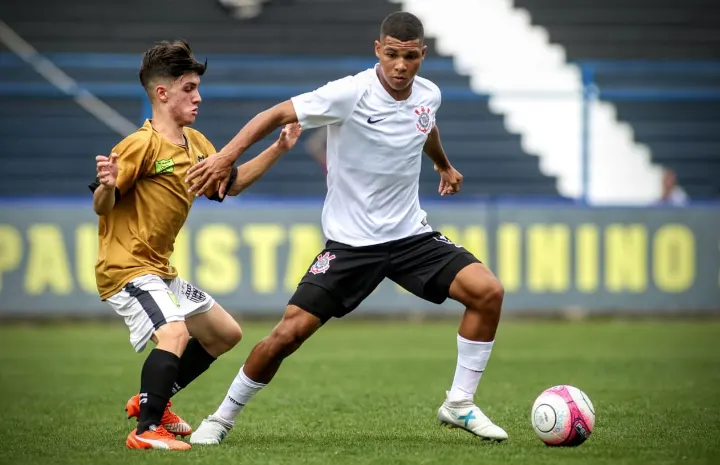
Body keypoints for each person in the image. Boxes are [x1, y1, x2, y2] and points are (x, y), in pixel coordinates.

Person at [185, 11, 508, 445]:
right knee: (287, 335)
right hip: (352, 245)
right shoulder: (350, 93)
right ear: (378, 50)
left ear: (422, 55)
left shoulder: (429, 95)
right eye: (391, 54)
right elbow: (275, 113)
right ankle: (220, 418)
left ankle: (459, 404)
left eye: (409, 57)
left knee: (488, 292)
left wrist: (443, 164)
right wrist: (226, 157)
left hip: (411, 235)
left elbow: (423, 125)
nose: (399, 65)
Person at [89, 39, 302, 450]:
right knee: (175, 334)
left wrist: (277, 148)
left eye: (198, 87)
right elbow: (104, 204)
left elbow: (232, 184)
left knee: (224, 333)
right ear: (162, 92)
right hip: (126, 268)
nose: (198, 96)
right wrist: (106, 185)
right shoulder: (140, 145)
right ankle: (147, 429)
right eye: (189, 88)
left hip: (158, 270)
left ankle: (155, 398)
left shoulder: (197, 144)